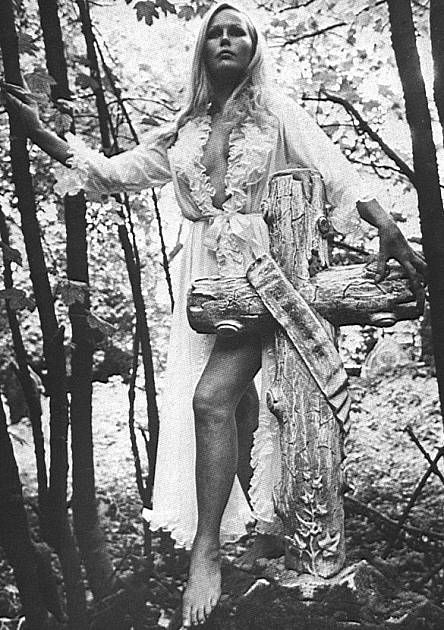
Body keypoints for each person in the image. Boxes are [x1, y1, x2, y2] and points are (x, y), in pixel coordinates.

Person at [3, 2, 426, 627]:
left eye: (239, 32)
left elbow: (336, 171)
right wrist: (41, 132)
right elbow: (111, 173)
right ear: (203, 47)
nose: (226, 40)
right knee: (243, 406)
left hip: (268, 270)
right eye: (216, 33)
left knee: (212, 400)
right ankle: (258, 530)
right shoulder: (185, 129)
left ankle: (206, 551)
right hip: (205, 278)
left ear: (254, 46)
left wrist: (386, 225)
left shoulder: (278, 114)